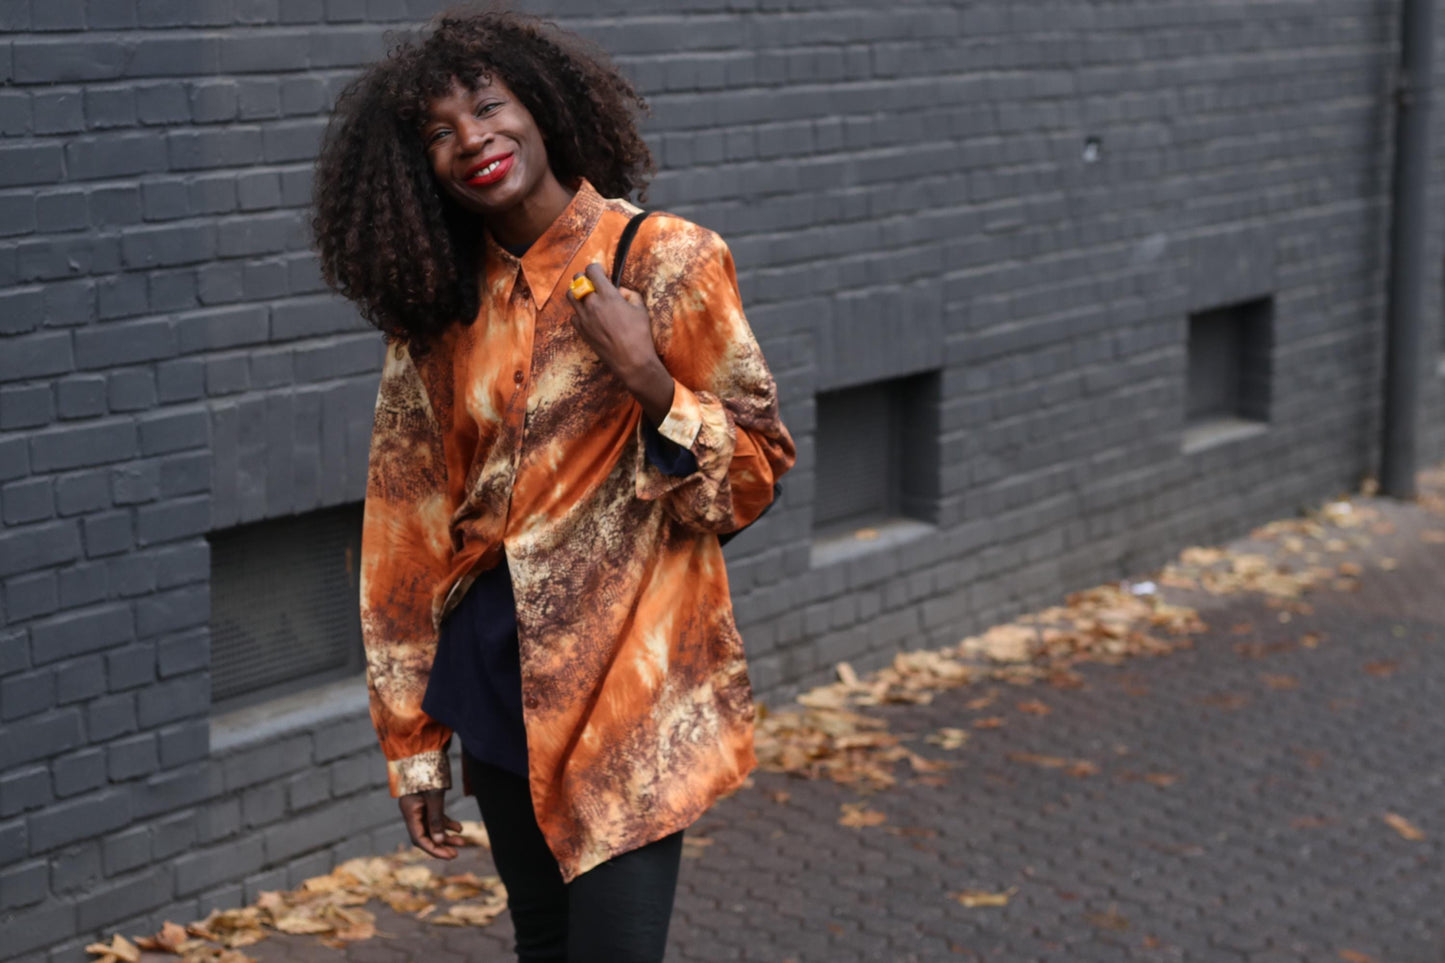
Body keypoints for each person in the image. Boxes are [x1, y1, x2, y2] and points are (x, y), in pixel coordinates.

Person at [310, 8, 796, 961]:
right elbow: (405, 535)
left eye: (487, 107)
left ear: (540, 104)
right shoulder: (439, 310)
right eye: (439, 134)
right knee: (543, 942)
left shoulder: (667, 261)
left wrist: (652, 381)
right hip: (493, 673)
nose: (472, 142)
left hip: (629, 678)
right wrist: (409, 739)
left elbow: (752, 478)